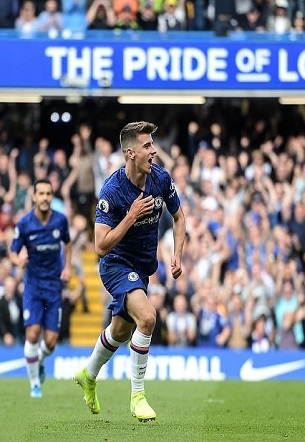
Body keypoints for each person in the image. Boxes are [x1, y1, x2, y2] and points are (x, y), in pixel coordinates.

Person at [74, 121, 185, 422]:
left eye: (153, 144)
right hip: (116, 264)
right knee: (147, 318)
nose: (154, 151)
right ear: (130, 153)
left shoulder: (160, 178)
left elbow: (179, 216)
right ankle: (138, 396)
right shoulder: (112, 190)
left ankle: (88, 373)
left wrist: (177, 253)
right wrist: (131, 215)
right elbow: (100, 246)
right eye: (148, 146)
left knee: (121, 331)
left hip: (142, 268)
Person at [9, 178, 72, 398]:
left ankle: (39, 361)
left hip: (54, 285)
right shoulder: (24, 223)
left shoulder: (60, 221)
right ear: (34, 197)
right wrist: (18, 261)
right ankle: (34, 383)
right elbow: (12, 252)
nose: (45, 198)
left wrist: (67, 266)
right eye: (41, 194)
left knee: (52, 342)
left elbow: (68, 243)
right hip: (33, 286)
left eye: (48, 194)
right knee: (33, 333)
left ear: (51, 197)